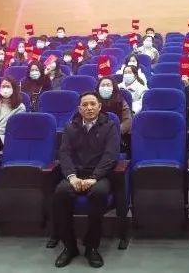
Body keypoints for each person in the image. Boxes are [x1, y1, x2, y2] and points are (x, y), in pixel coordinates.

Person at [52, 92, 120, 269]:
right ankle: (70, 247)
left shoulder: (110, 126)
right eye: (85, 105)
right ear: (79, 108)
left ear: (99, 106)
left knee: (99, 193)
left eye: (92, 104)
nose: (89, 108)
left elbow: (111, 156)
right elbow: (64, 154)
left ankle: (92, 247)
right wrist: (72, 176)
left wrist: (94, 178)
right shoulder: (70, 127)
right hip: (75, 174)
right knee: (60, 193)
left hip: (99, 176)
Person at [0, 78, 26, 144]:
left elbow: (13, 127)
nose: (5, 89)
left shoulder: (20, 107)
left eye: (8, 86)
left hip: (5, 138)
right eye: (3, 86)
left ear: (14, 89)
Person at [97, 77, 132, 150]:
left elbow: (127, 121)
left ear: (113, 88)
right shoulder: (93, 101)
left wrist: (113, 133)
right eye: (103, 85)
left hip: (117, 136)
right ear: (98, 88)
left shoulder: (120, 101)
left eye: (108, 85)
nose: (105, 87)